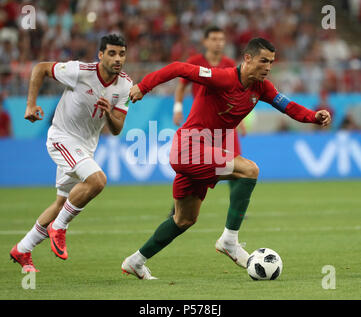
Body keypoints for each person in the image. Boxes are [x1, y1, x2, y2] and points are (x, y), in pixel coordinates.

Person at [122, 38, 331, 280]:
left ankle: (135, 261)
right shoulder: (221, 78)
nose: (268, 67)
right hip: (188, 147)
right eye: (264, 61)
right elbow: (179, 68)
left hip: (204, 154)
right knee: (249, 170)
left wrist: (314, 116)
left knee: (184, 219)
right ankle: (230, 240)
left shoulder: (262, 88)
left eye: (272, 62)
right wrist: (144, 86)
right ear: (248, 59)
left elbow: (289, 107)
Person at [10, 34, 132, 272]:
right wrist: (30, 104)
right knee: (97, 181)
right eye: (112, 53)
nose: (118, 59)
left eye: (122, 54)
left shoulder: (125, 85)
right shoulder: (80, 71)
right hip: (62, 138)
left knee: (61, 202)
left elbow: (117, 129)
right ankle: (60, 227)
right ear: (100, 55)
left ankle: (22, 250)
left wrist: (108, 113)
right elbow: (41, 68)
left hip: (85, 147)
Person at [169, 26, 247, 217]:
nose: (218, 42)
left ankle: (236, 209)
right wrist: (177, 108)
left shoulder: (229, 63)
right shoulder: (195, 61)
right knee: (193, 165)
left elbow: (238, 92)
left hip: (226, 123)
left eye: (221, 39)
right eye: (213, 39)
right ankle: (177, 206)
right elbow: (181, 87)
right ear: (205, 42)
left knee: (238, 165)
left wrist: (241, 120)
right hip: (202, 123)